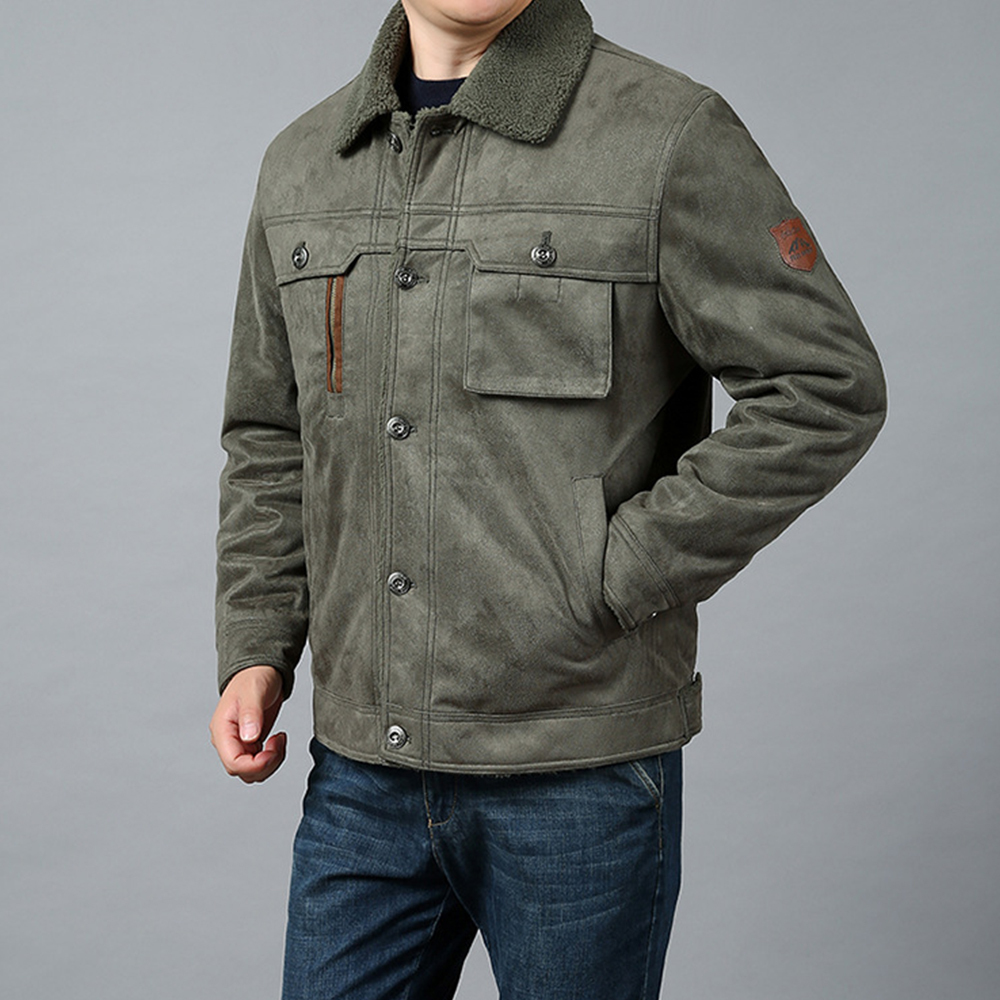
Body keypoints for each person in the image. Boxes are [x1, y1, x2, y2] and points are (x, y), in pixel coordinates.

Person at [209, 0, 886, 996]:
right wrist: (258, 643)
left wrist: (619, 569)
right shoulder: (304, 167)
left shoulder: (662, 134)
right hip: (362, 771)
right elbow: (271, 434)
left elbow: (826, 387)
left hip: (579, 769)